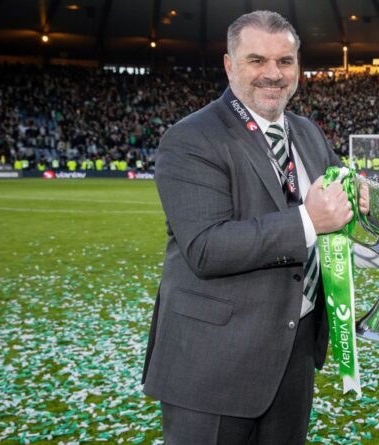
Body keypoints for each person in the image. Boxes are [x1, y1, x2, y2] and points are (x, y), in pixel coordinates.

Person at [141, 10, 364, 444]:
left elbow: (345, 199)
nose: (273, 74)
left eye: (285, 61)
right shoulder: (191, 138)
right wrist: (308, 220)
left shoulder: (307, 132)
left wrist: (372, 200)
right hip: (213, 363)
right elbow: (206, 248)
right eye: (256, 61)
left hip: (293, 352)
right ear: (229, 65)